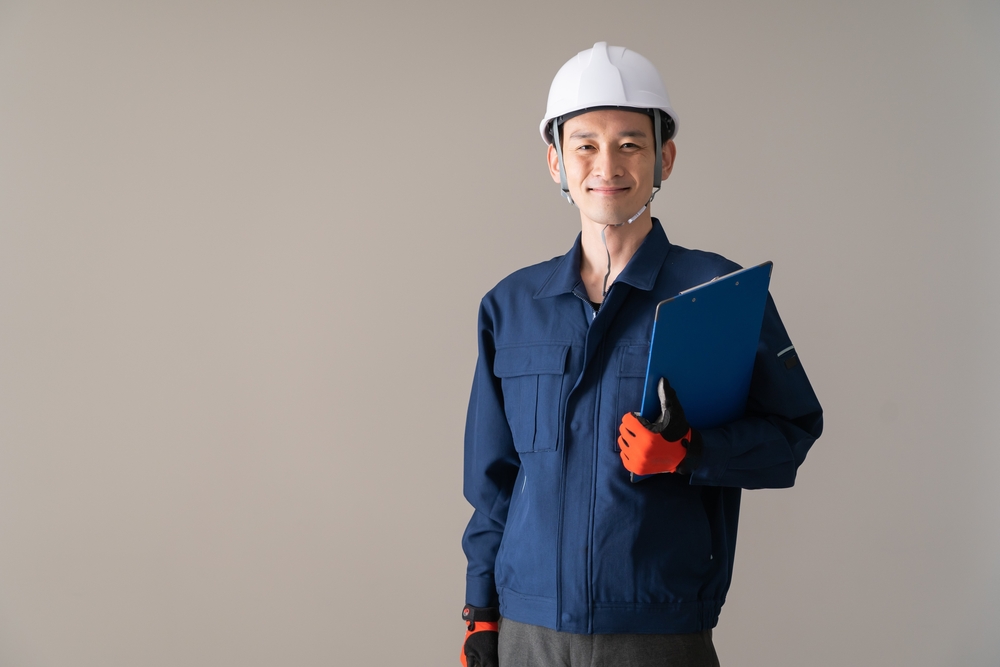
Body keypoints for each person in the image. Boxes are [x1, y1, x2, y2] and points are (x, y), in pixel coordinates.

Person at [459, 42, 823, 667]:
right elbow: (493, 481)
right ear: (555, 160)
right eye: (586, 145)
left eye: (630, 143)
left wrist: (691, 452)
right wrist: (481, 611)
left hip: (657, 630)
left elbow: (790, 434)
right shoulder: (511, 307)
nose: (607, 165)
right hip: (528, 630)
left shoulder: (717, 293)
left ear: (664, 158)